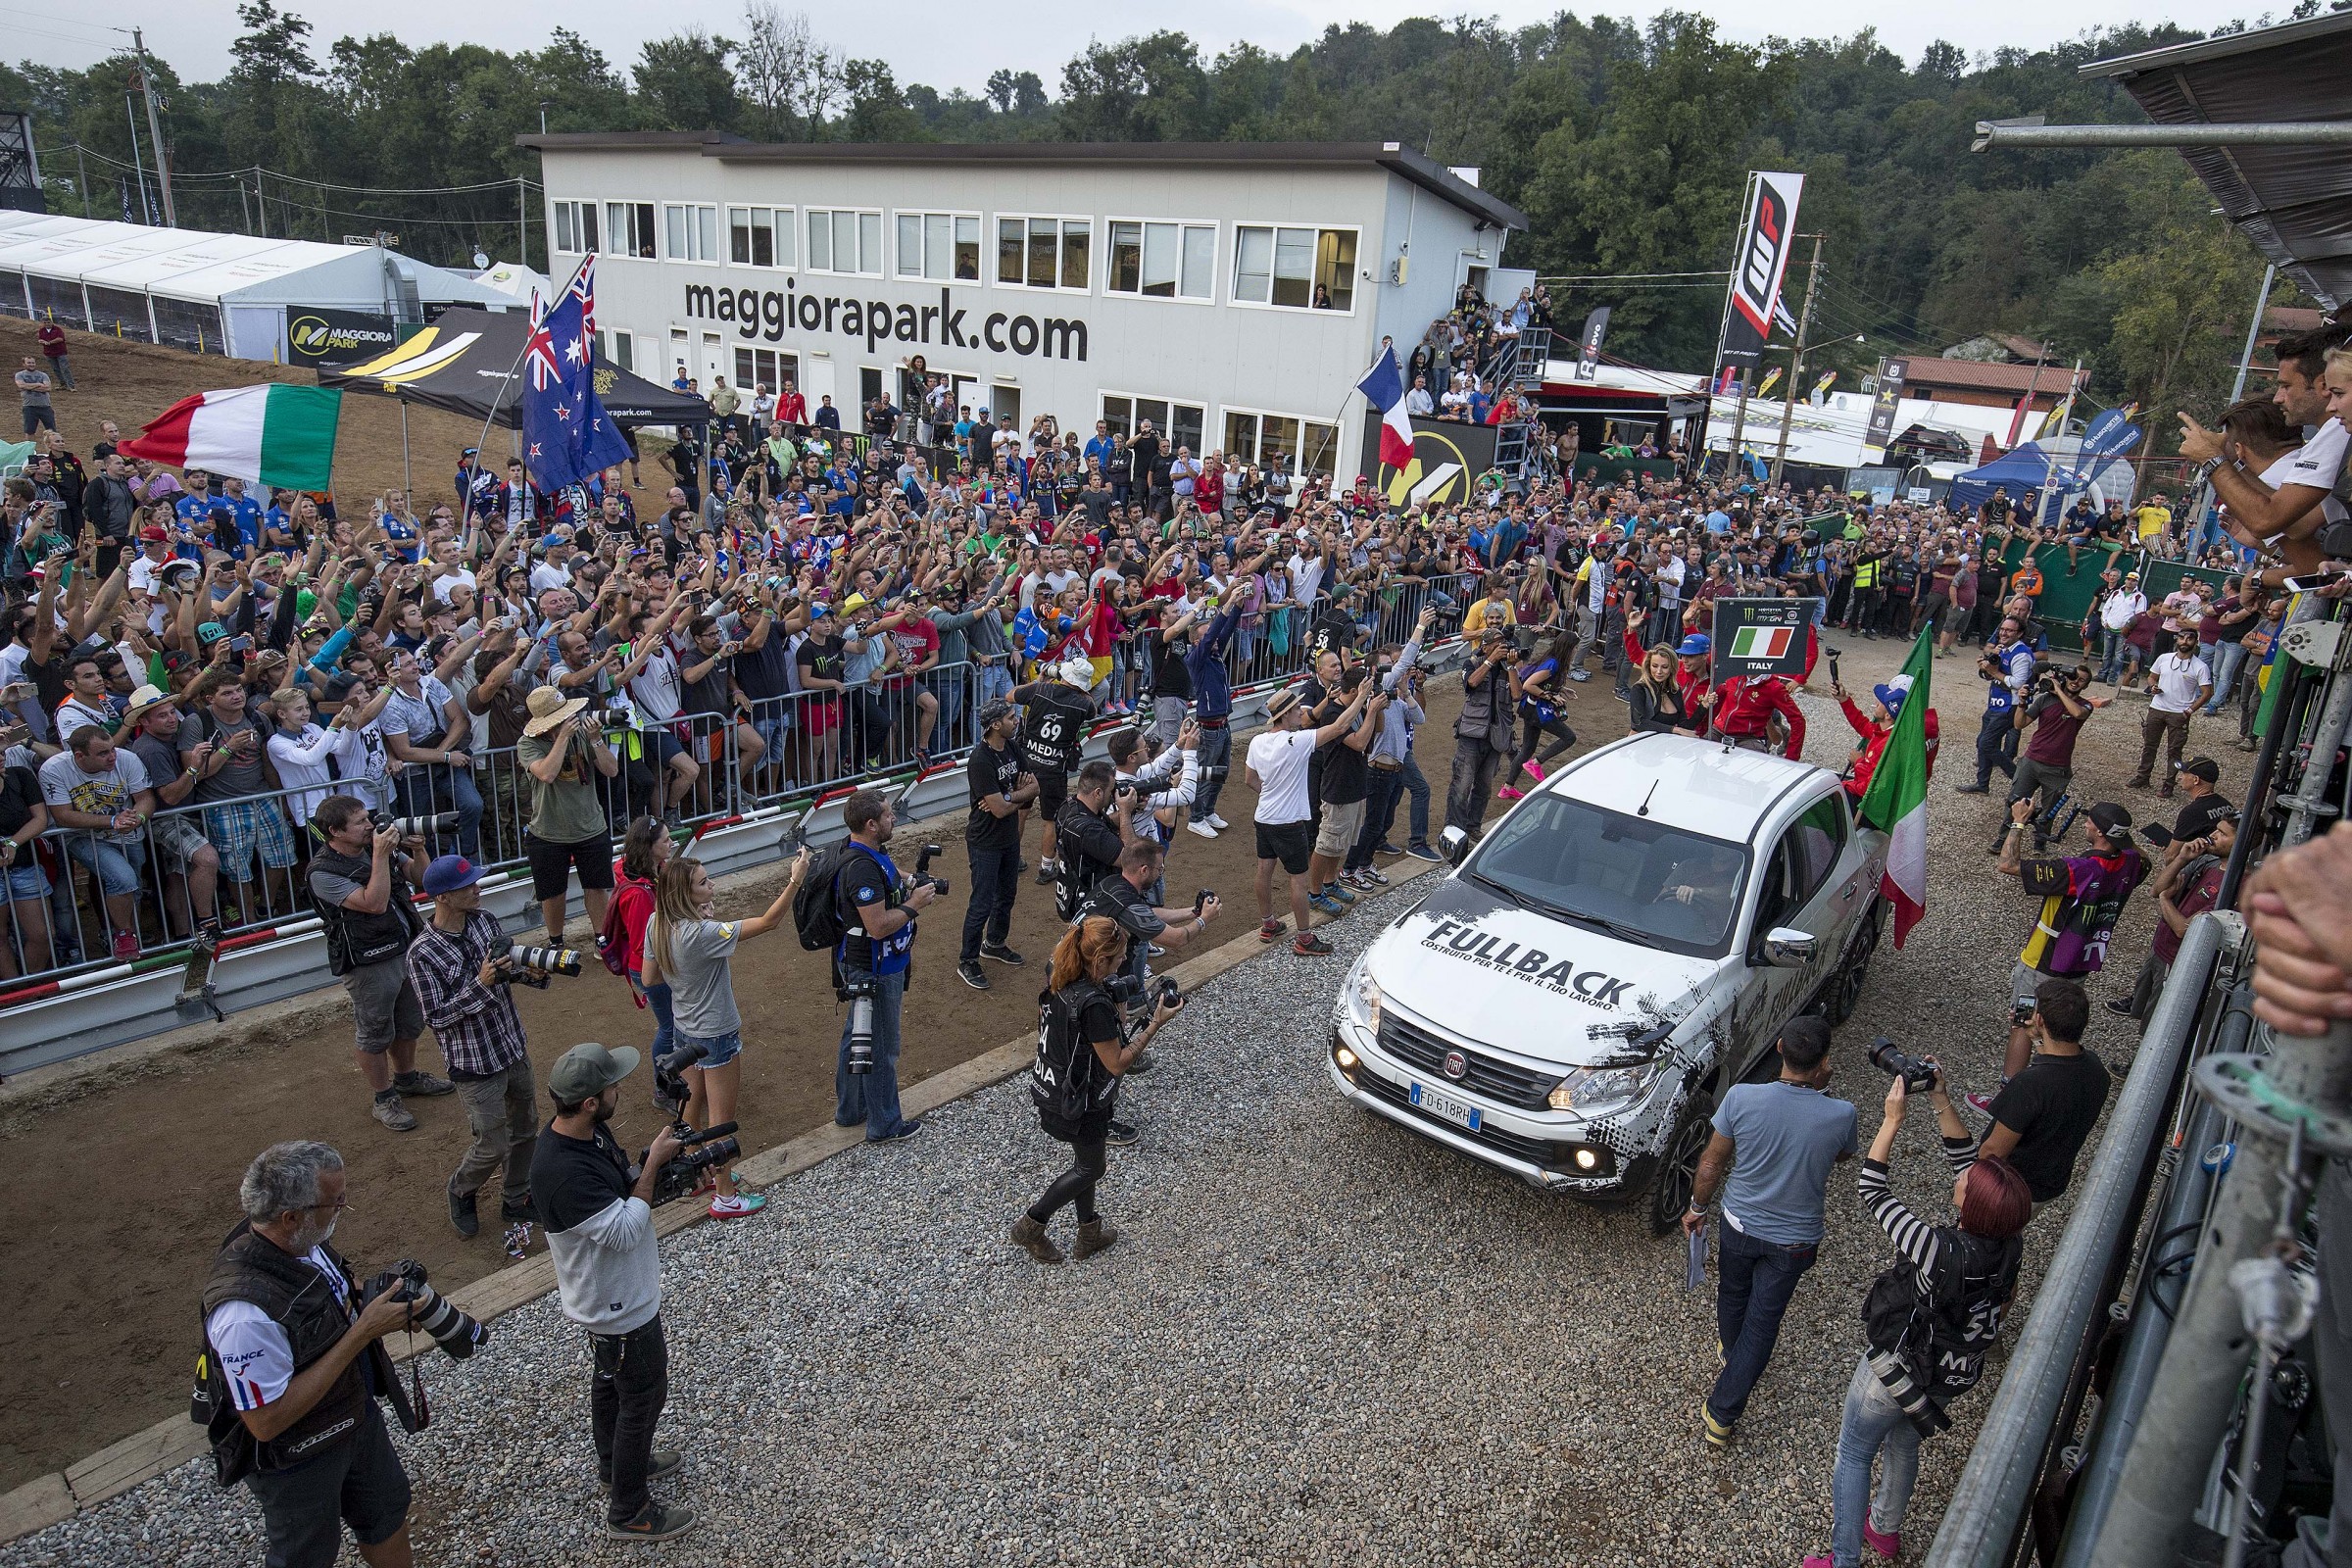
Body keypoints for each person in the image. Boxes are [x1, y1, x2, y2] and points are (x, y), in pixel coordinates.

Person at [1800, 1077, 2031, 1568]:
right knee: (1905, 1442)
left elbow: (1872, 1189)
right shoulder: (2009, 1242)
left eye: (1966, 1184)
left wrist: (1892, 1120)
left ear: (1969, 1205)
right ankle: (1884, 1530)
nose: (1961, 1176)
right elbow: (1967, 1158)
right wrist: (1941, 1099)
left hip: (1898, 1372)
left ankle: (1844, 1561)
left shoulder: (1936, 1250)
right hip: (1950, 1372)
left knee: (1856, 1452)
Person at [200, 1142, 424, 1568]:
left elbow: (338, 1288)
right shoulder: (243, 1316)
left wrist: (383, 1300)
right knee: (305, 1555)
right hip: (295, 1458)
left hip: (351, 1417)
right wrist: (363, 1333)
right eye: (335, 1202)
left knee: (386, 1513)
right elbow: (265, 1422)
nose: (343, 1207)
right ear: (291, 1217)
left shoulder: (302, 1241)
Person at [530, 1042, 697, 1543]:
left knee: (611, 1386)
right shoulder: (562, 1172)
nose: (619, 1090)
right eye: (612, 1086)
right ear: (588, 1102)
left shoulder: (583, 1135)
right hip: (616, 1307)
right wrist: (651, 1171)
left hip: (608, 1299)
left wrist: (656, 1168)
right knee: (643, 1397)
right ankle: (629, 1510)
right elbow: (623, 1230)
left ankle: (615, 1468)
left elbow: (618, 1192)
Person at [1684, 1017, 1857, 1447]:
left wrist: (1696, 1207)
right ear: (1824, 1062)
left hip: (1740, 1223)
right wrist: (1822, 1093)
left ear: (1779, 1047)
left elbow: (1710, 1163)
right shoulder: (1841, 1113)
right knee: (1763, 1322)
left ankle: (1731, 1358)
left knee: (1733, 1292)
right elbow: (1842, 1156)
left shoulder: (1741, 1098)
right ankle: (1721, 1415)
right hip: (1795, 1240)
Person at [640, 847, 810, 1216]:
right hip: (715, 1031)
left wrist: (684, 981)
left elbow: (649, 977)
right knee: (721, 1117)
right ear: (686, 895)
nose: (711, 885)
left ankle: (695, 1173)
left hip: (684, 1027)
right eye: (703, 883)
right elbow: (768, 921)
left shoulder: (658, 923)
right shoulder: (701, 934)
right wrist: (795, 878)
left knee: (690, 1107)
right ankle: (725, 1194)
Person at [1009, 915, 1190, 1264]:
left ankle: (1088, 1233)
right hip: (1080, 1101)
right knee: (1092, 1168)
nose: (1124, 961)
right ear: (1099, 960)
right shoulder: (1092, 1005)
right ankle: (1032, 1224)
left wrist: (1118, 1003)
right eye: (1119, 957)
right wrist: (1156, 1023)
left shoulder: (1060, 976)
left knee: (1085, 1162)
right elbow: (1118, 1062)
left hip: (1054, 1087)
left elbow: (1093, 1033)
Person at [404, 854, 546, 1239]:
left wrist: (532, 974)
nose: (477, 888)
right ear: (443, 898)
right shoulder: (421, 954)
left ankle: (516, 1197)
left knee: (526, 1128)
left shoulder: (485, 921)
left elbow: (507, 973)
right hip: (474, 1064)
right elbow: (437, 1017)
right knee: (492, 1144)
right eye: (467, 885)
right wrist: (481, 984)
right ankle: (461, 1189)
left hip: (512, 1047)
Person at [1984, 796, 2144, 1107]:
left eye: (2089, 822)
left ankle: (2007, 1098)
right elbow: (2138, 854)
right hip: (2079, 961)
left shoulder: (2079, 869)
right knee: (2056, 1027)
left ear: (2099, 833)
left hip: (2044, 960)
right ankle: (2053, 1089)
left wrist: (2018, 821)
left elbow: (2007, 864)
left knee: (2023, 1022)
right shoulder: (2132, 862)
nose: (2084, 824)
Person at [306, 796, 454, 1132]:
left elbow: (425, 880)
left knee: (409, 1021)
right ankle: (383, 1098)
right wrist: (382, 856)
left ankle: (407, 1078)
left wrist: (418, 850)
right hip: (367, 959)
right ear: (335, 831)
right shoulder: (322, 872)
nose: (370, 826)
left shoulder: (376, 847)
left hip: (405, 946)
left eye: (367, 817)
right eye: (359, 822)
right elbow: (373, 903)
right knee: (374, 1030)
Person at [830, 787, 940, 1143]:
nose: (895, 818)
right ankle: (885, 1125)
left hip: (867, 964)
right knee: (880, 1046)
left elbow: (887, 867)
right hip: (875, 969)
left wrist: (909, 880)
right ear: (871, 824)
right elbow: (877, 926)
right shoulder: (861, 869)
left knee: (856, 1037)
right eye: (889, 815)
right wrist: (914, 904)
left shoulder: (862, 850)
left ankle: (851, 1111)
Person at [1250, 681, 1369, 956]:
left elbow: (1250, 779)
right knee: (1299, 880)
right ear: (1288, 714)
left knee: (1264, 870)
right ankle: (1304, 937)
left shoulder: (1258, 741)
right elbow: (1339, 727)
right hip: (1289, 822)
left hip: (1264, 816)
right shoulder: (1298, 741)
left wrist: (1270, 794)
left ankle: (1268, 924)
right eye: (1297, 710)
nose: (1301, 714)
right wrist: (1360, 697)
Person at [1969, 977, 2109, 1209]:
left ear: (2040, 1020)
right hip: (2050, 1183)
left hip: (2010, 1190)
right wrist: (2037, 1037)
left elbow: (1993, 1151)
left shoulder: (2030, 1085)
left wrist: (1972, 1185)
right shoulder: (2096, 1068)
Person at [515, 685, 620, 950]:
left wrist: (595, 739)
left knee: (597, 888)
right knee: (552, 893)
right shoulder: (528, 744)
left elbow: (611, 770)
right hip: (548, 830)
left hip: (590, 825)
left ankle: (602, 937)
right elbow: (547, 774)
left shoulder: (583, 735)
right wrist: (562, 738)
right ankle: (556, 943)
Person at [958, 698, 1038, 991]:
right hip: (984, 842)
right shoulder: (980, 760)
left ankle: (994, 943)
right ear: (995, 725)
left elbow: (1033, 788)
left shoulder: (1013, 748)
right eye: (1010, 717)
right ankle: (967, 959)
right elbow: (1001, 808)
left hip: (1007, 839)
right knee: (981, 903)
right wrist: (1015, 796)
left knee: (1007, 895)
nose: (1015, 721)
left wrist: (1009, 797)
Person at [2003, 662, 2105, 852]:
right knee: (2015, 801)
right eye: (2073, 676)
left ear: (2086, 686)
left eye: (2082, 680)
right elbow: (2020, 724)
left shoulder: (2085, 704)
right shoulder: (2044, 699)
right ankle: (2003, 839)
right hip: (2031, 760)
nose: (2075, 681)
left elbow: (2077, 713)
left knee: (2049, 810)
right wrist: (2022, 703)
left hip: (2058, 766)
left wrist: (2058, 689)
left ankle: (2039, 843)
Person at [607, 816, 676, 1081]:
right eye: (666, 840)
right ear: (649, 846)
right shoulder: (637, 894)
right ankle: (664, 1087)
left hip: (655, 965)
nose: (671, 843)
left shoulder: (648, 871)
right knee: (670, 1028)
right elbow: (643, 944)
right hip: (653, 968)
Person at [1445, 612, 1515, 839]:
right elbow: (1472, 683)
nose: (1501, 648)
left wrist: (1512, 667)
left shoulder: (1506, 667)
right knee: (1462, 784)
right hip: (1471, 734)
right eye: (1496, 645)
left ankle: (1473, 825)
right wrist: (1490, 661)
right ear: (1485, 647)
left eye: (1502, 645)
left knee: (1484, 786)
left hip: (1496, 735)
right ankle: (1454, 827)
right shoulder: (1472, 662)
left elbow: (1516, 694)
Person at [1954, 616, 2034, 796]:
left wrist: (1994, 672)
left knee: (1986, 743)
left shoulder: (2021, 654)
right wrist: (1986, 669)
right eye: (2002, 629)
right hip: (1996, 703)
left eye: (2009, 630)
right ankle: (1982, 784)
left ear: (2020, 633)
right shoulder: (2003, 649)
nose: (2003, 633)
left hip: (2010, 706)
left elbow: (2018, 682)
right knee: (1983, 743)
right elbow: (1993, 676)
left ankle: (2018, 777)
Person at [2131, 630, 2213, 797]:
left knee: (2174, 751)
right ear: (2177, 640)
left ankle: (2169, 784)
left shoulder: (2200, 667)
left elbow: (2207, 692)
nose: (2185, 641)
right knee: (2149, 745)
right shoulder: (2164, 658)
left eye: (2189, 639)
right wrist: (2153, 687)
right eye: (2182, 638)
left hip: (2179, 713)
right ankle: (2143, 776)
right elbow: (2152, 677)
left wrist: (2190, 710)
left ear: (2195, 643)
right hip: (2157, 707)